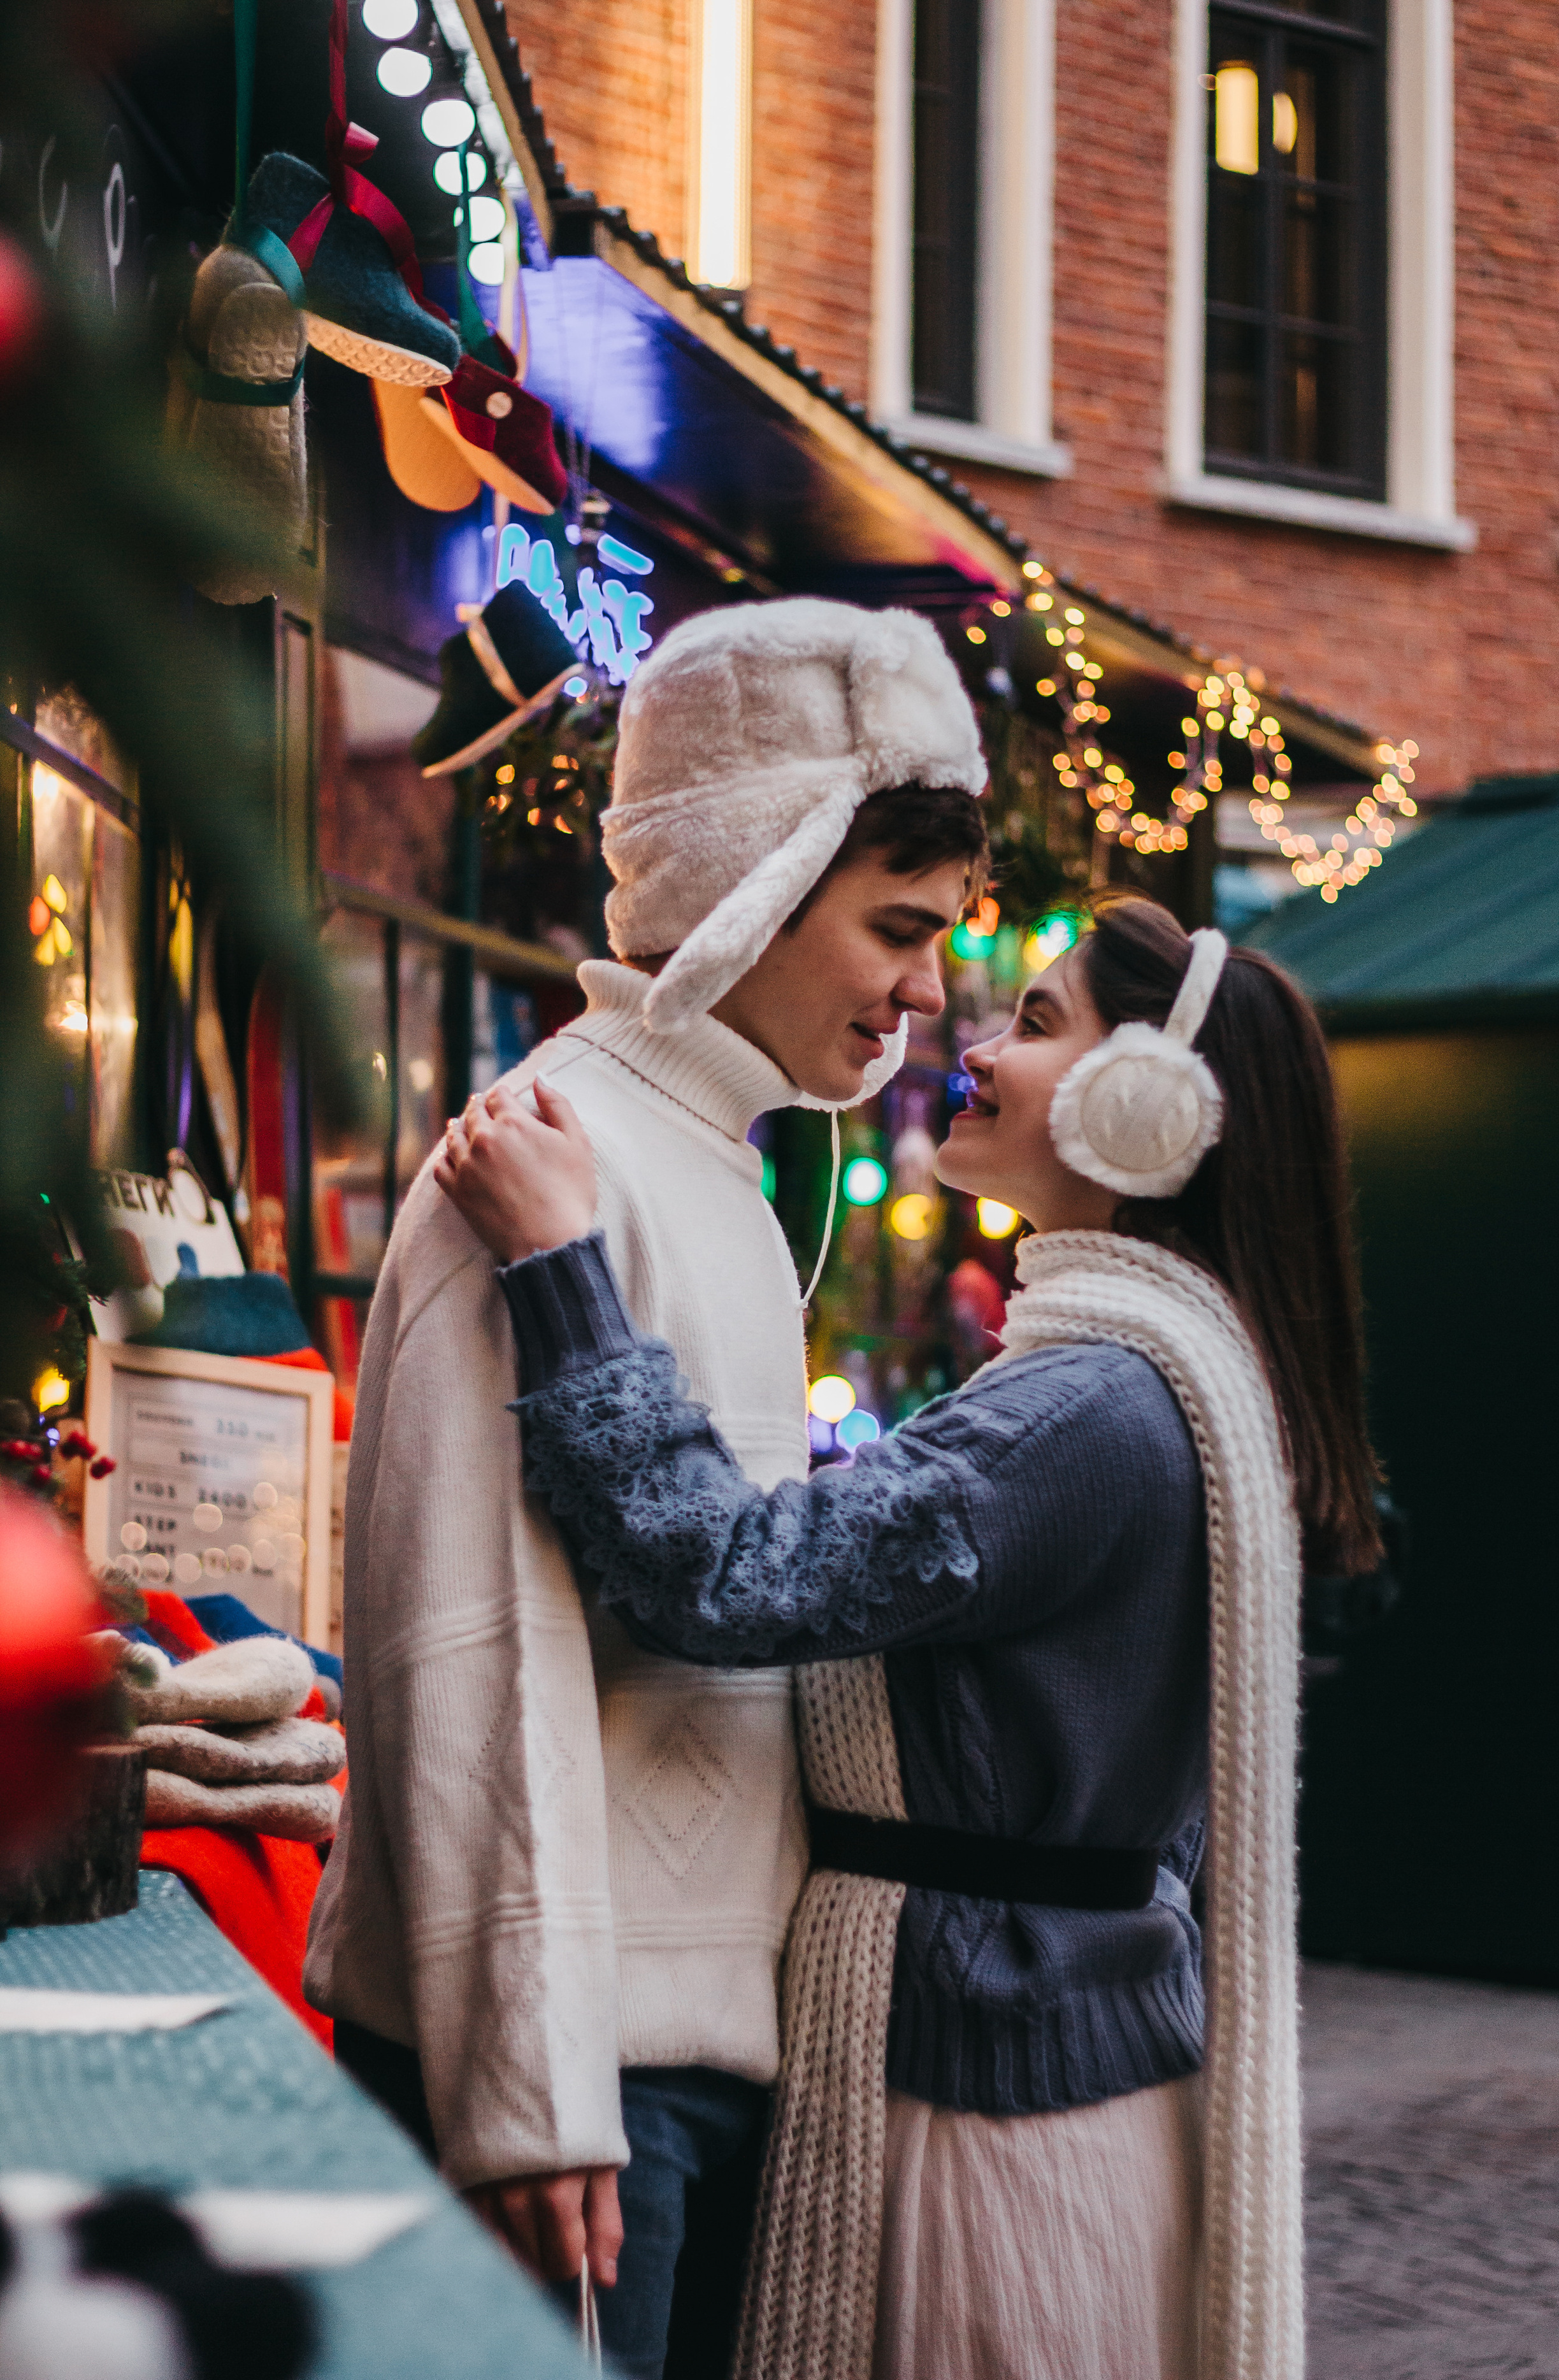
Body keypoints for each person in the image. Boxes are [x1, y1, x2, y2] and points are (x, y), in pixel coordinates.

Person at [436, 891, 1382, 2380]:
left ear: (1146, 1108)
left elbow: (725, 1575)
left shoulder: (1083, 1410)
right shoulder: (1161, 1378)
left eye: (1040, 1022)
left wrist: (562, 1267)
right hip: (1047, 2077)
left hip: (984, 2120)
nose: (975, 1043)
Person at [304, 598, 988, 2380]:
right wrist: (526, 2087)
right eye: (899, 928)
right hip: (580, 2081)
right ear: (757, 879)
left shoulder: (713, 1167)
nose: (930, 994)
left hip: (674, 2055)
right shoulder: (557, 1155)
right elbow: (466, 1639)